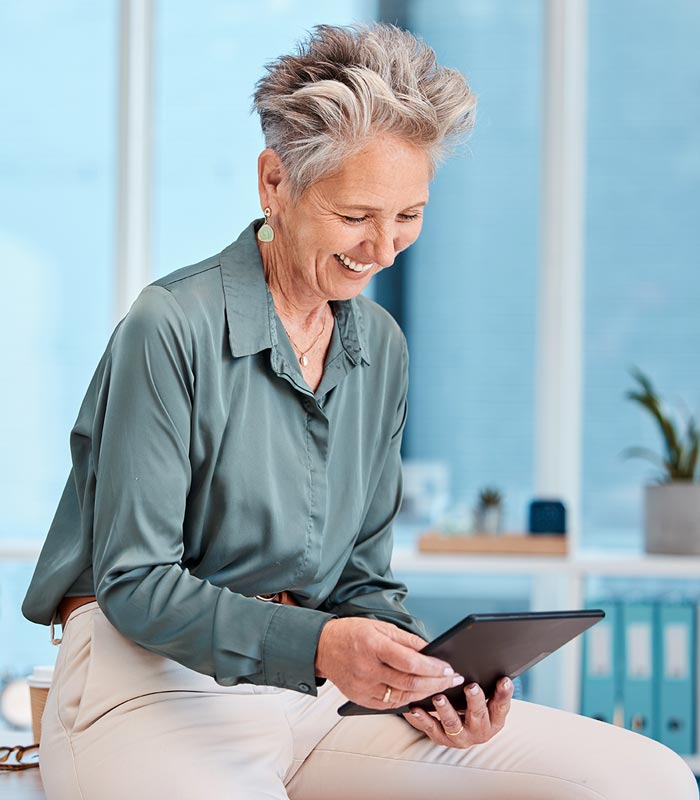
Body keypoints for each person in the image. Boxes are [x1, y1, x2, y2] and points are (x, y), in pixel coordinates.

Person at [22, 22, 698, 800]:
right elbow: (136, 582)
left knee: (646, 779)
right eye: (355, 216)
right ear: (275, 182)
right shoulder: (170, 325)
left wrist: (426, 677)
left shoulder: (379, 344)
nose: (382, 247)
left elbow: (364, 581)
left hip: (314, 697)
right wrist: (322, 646)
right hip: (145, 686)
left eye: (408, 214)